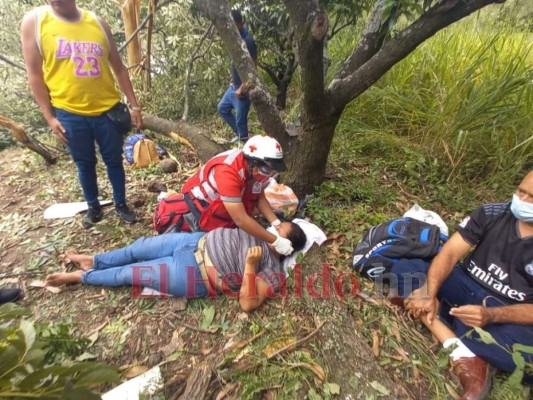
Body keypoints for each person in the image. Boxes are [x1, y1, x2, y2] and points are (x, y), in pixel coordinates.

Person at [390, 171, 533, 400]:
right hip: (466, 284)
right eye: (520, 192)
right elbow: (450, 253)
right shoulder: (492, 213)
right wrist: (430, 290)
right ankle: (464, 350)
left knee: (526, 354)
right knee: (405, 269)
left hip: (506, 310)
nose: (522, 201)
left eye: (531, 198)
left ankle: (447, 321)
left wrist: (491, 315)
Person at [21, 0, 142, 229]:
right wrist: (50, 117)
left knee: (114, 161)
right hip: (69, 113)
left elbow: (118, 67)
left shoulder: (97, 23)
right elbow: (35, 75)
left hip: (108, 111)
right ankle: (94, 208)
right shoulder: (35, 22)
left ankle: (121, 204)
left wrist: (134, 106)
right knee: (84, 163)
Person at [45, 222, 307, 312]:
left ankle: (82, 277)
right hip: (194, 240)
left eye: (279, 231)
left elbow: (248, 304)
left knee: (131, 273)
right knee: (139, 247)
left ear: (286, 246)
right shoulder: (261, 232)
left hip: (194, 273)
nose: (273, 229)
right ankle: (95, 260)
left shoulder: (273, 272)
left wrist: (250, 266)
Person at [177, 134, 295, 256]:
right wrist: (275, 241)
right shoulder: (227, 171)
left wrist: (275, 222)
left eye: (272, 171)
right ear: (252, 163)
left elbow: (258, 195)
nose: (268, 175)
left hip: (229, 198)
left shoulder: (256, 171)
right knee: (215, 237)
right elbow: (240, 220)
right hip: (202, 199)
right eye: (266, 170)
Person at [217, 9, 257, 143]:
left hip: (242, 90)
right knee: (222, 108)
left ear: (240, 24)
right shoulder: (236, 39)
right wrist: (232, 81)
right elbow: (237, 63)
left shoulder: (248, 41)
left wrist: (242, 88)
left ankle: (245, 145)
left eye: (233, 25)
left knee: (241, 122)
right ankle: (239, 134)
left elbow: (253, 68)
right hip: (233, 87)